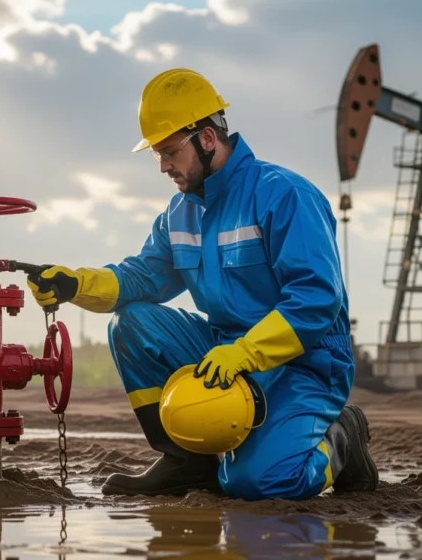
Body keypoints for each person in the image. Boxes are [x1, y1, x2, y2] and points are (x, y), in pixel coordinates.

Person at [26, 68, 378, 501]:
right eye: (157, 154)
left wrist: (245, 353)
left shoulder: (285, 194)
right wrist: (74, 284)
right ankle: (185, 462)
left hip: (304, 362)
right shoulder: (179, 214)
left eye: (170, 152)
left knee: (259, 483)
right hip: (223, 352)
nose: (163, 166)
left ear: (208, 138)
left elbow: (316, 300)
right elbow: (141, 278)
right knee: (132, 324)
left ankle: (342, 438)